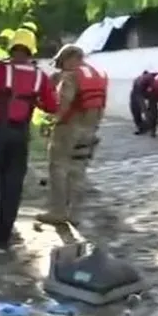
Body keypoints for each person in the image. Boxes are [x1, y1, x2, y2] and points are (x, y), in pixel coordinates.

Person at [0, 28, 58, 248]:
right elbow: (52, 106)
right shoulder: (40, 77)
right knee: (12, 184)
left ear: (11, 48)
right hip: (19, 135)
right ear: (31, 51)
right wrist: (32, 100)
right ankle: (3, 234)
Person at [36, 44, 107, 226]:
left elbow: (64, 103)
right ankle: (75, 214)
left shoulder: (72, 76)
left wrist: (53, 122)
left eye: (61, 63)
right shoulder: (100, 74)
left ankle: (58, 212)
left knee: (58, 167)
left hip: (69, 127)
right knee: (78, 170)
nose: (61, 68)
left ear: (70, 59)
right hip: (90, 129)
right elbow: (102, 104)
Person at [130, 71, 158, 136]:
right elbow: (142, 103)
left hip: (152, 89)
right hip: (138, 89)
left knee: (153, 109)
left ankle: (152, 128)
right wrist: (146, 115)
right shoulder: (141, 83)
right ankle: (142, 126)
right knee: (136, 108)